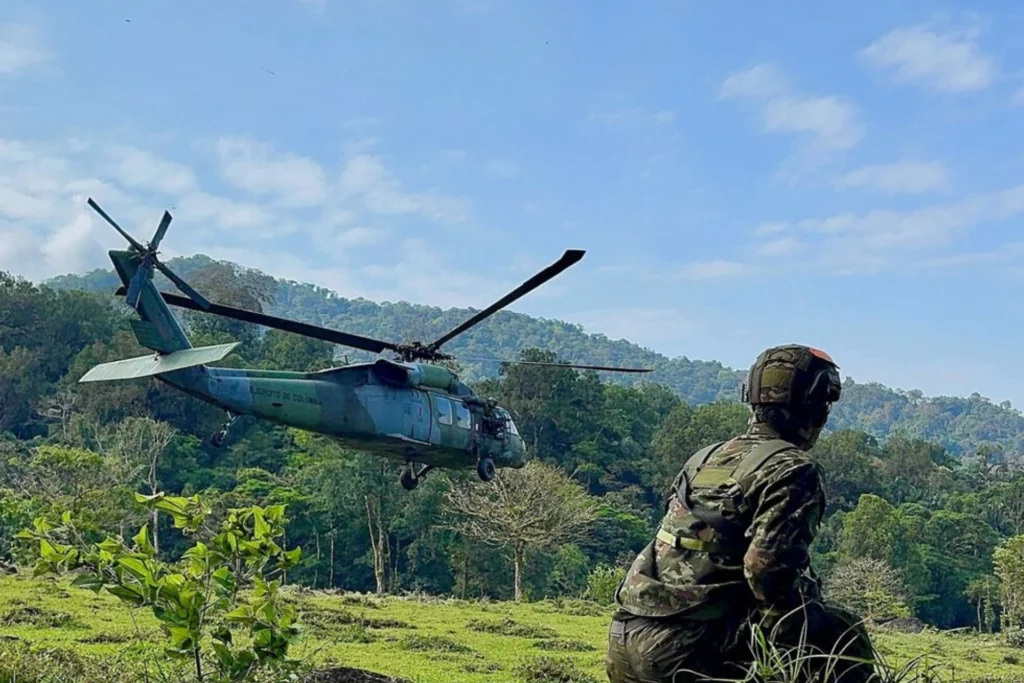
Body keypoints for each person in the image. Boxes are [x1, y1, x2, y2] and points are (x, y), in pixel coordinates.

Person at [605, 344, 875, 683]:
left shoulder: (705, 457)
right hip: (688, 652)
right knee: (842, 632)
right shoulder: (793, 467)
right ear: (816, 407)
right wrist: (786, 654)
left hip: (625, 640)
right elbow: (767, 571)